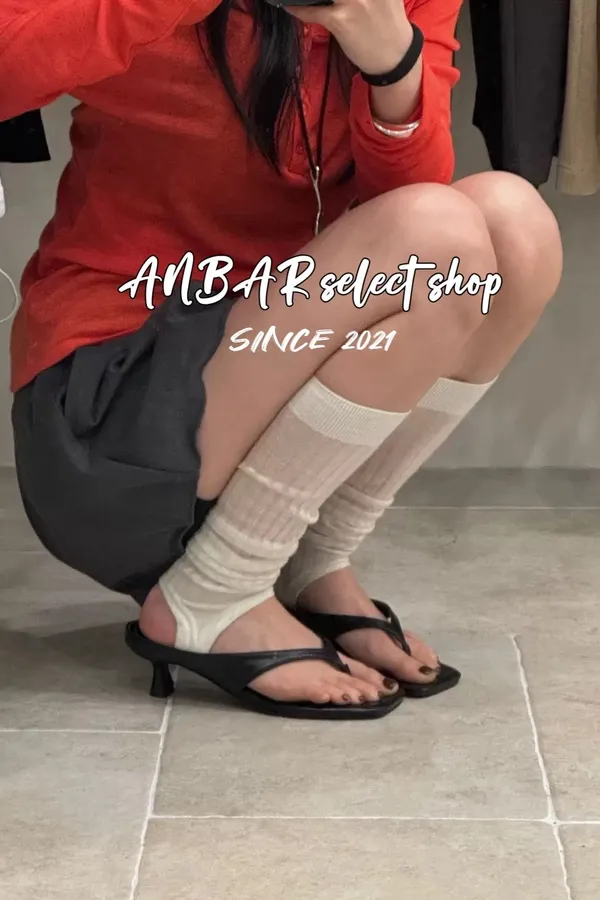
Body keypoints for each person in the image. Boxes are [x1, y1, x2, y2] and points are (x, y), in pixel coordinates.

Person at [2, 0, 562, 719]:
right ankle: (212, 592)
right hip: (113, 413)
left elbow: (407, 214)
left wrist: (390, 60)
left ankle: (309, 556)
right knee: (438, 231)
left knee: (513, 225)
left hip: (262, 377)